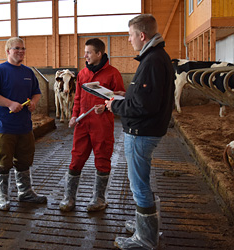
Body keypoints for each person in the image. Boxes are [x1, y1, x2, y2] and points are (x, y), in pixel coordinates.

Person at [105, 14, 175, 249]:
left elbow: (145, 106)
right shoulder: (156, 57)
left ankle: (145, 239)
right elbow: (147, 97)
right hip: (147, 129)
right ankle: (144, 225)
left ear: (141, 35)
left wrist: (114, 105)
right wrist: (126, 96)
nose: (128, 40)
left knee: (139, 185)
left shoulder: (152, 60)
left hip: (141, 132)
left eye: (130, 35)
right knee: (141, 181)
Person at [59, 38, 125, 212]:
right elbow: (78, 99)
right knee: (76, 159)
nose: (85, 55)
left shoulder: (113, 73)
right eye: (85, 52)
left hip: (102, 124)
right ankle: (69, 197)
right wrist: (74, 116)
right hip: (82, 123)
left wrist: (105, 107)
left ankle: (99, 198)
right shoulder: (82, 74)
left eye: (88, 52)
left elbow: (120, 97)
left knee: (102, 159)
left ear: (99, 53)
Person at [0, 37, 47, 211]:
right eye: (16, 48)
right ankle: (2, 196)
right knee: (3, 162)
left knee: (24, 160)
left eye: (23, 48)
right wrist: (10, 103)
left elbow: (36, 92)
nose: (20, 51)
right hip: (3, 126)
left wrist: (34, 102)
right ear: (8, 51)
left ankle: (25, 192)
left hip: (24, 126)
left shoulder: (28, 72)